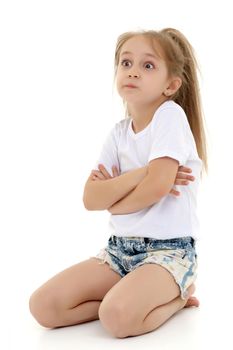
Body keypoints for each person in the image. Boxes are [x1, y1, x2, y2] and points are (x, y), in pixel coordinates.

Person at [29, 28, 208, 338]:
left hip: (167, 253)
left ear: (171, 85)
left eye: (147, 65)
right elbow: (90, 199)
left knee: (116, 318)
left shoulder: (170, 116)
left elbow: (157, 189)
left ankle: (178, 296)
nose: (133, 72)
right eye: (126, 63)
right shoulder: (119, 132)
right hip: (118, 253)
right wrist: (142, 173)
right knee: (43, 306)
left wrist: (114, 199)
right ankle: (127, 297)